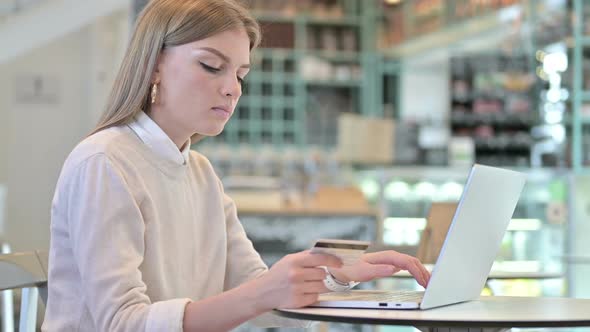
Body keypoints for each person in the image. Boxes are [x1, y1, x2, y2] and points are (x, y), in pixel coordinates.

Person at [42, 0, 430, 331]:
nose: (233, 88)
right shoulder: (105, 162)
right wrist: (265, 292)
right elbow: (122, 323)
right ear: (155, 65)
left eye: (241, 74)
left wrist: (333, 274)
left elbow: (263, 301)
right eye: (212, 66)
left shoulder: (200, 173)